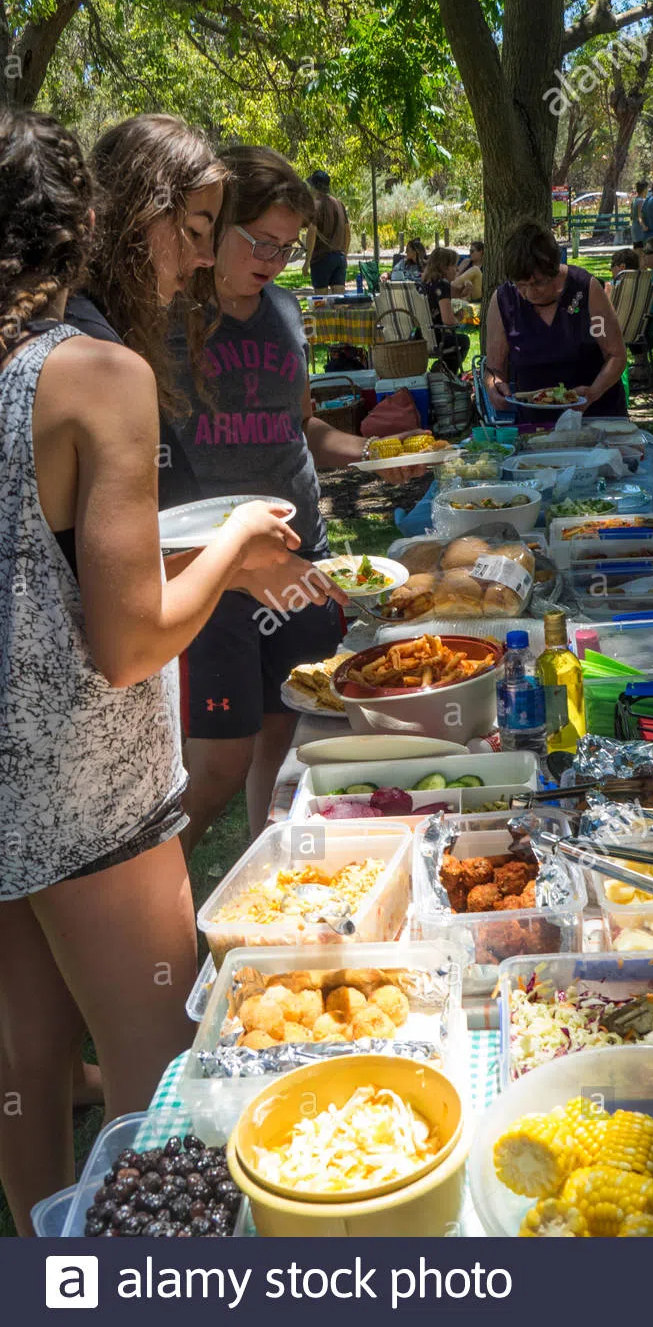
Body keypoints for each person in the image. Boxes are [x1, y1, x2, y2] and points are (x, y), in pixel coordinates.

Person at [0, 110, 309, 1234]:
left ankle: (52, 1271)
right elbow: (127, 641)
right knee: (160, 1074)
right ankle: (144, 1283)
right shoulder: (97, 371)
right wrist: (234, 548)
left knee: (26, 1065)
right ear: (100, 220)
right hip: (90, 784)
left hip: (12, 790)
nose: (195, 258)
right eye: (188, 231)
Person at [170, 146, 420, 851]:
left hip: (301, 559)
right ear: (214, 228)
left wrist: (371, 456)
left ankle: (267, 859)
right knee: (216, 760)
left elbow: (302, 427)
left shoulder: (283, 310)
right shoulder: (164, 316)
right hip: (210, 570)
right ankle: (153, 897)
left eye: (288, 247)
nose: (275, 262)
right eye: (260, 242)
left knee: (287, 736)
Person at [484, 220, 627, 416]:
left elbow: (616, 355)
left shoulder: (584, 290)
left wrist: (592, 393)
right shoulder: (503, 300)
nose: (528, 293)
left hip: (595, 416)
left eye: (537, 284)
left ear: (554, 270)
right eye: (521, 285)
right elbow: (495, 369)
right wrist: (494, 387)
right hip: (536, 424)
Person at [418, 246, 471, 371]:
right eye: (454, 265)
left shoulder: (427, 283)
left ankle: (440, 368)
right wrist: (459, 316)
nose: (457, 269)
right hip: (436, 337)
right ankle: (446, 372)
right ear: (444, 267)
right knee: (463, 341)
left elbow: (456, 293)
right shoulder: (442, 285)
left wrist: (466, 288)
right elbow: (448, 321)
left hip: (421, 337)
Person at [303, 169, 350, 294]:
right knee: (339, 302)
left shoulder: (316, 205)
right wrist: (344, 254)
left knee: (321, 302)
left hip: (321, 258)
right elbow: (347, 231)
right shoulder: (339, 204)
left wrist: (307, 261)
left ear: (315, 187)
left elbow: (312, 231)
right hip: (339, 258)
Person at [630, 180, 649, 262]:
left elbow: (631, 216)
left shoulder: (634, 200)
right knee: (641, 253)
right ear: (644, 189)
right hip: (639, 229)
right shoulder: (641, 201)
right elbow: (639, 217)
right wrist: (644, 227)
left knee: (637, 251)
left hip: (634, 227)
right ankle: (642, 272)